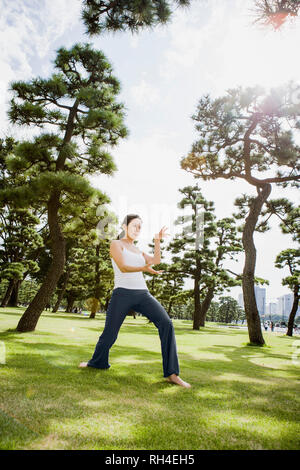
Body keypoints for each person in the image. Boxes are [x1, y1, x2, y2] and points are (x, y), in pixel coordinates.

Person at [79, 214, 191, 388]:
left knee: (166, 323)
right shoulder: (116, 244)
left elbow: (156, 260)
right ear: (125, 226)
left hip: (142, 294)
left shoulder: (138, 250)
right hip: (122, 294)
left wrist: (157, 241)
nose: (137, 229)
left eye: (140, 227)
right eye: (134, 226)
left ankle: (172, 374)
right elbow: (123, 267)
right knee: (110, 333)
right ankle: (97, 362)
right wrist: (143, 268)